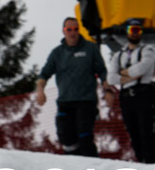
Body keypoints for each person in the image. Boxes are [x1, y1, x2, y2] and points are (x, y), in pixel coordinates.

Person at [35, 17, 114, 157]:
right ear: (63, 31)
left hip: (86, 101)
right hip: (65, 101)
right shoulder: (57, 53)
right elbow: (44, 74)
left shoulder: (91, 48)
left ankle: (93, 169)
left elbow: (102, 71)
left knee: (84, 136)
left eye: (76, 29)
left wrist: (108, 90)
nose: (72, 33)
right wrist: (40, 90)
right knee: (67, 138)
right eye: (69, 29)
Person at [106, 18, 155, 163]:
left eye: (138, 30)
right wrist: (130, 76)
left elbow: (142, 68)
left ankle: (151, 162)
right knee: (133, 132)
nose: (135, 33)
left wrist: (122, 73)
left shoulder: (147, 50)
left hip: (143, 95)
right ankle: (140, 160)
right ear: (127, 31)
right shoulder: (119, 55)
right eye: (132, 30)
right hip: (126, 98)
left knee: (146, 131)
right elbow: (111, 78)